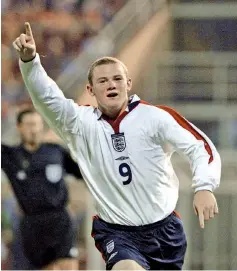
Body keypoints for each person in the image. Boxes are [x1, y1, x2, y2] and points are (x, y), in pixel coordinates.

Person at [12, 22, 221, 270]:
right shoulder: (80, 124)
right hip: (117, 233)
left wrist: (204, 186)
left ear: (128, 83)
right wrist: (30, 62)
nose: (111, 84)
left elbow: (199, 145)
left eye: (117, 78)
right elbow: (47, 98)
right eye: (102, 81)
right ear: (90, 89)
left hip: (165, 232)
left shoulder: (156, 117)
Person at [1, 108, 83, 270]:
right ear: (19, 127)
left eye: (38, 125)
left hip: (59, 220)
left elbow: (84, 173)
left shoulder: (55, 151)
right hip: (32, 224)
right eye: (30, 124)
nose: (34, 129)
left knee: (68, 265)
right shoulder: (11, 156)